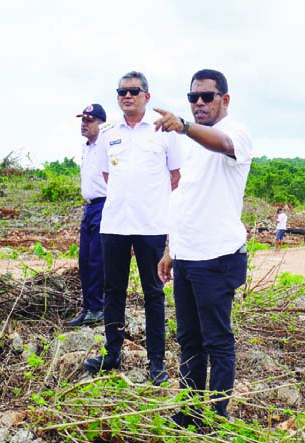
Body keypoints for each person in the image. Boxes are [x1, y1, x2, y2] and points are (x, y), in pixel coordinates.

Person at [155, 69, 252, 422]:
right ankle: (189, 410)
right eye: (193, 97)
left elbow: (223, 145)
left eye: (206, 97)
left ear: (224, 100)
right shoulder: (191, 145)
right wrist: (170, 249)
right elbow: (185, 201)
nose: (198, 103)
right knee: (190, 340)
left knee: (217, 341)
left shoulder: (235, 133)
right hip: (188, 257)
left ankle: (215, 415)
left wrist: (183, 126)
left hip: (218, 257)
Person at [83, 71, 182, 386]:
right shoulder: (109, 133)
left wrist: (158, 210)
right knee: (113, 291)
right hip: (114, 224)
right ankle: (112, 354)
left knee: (153, 293)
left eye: (134, 91)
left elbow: (176, 177)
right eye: (122, 91)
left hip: (151, 224)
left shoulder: (164, 132)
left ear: (147, 96)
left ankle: (156, 362)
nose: (127, 95)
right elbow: (108, 177)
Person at [67, 104, 108, 327]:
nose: (84, 123)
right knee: (84, 259)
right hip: (89, 206)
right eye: (82, 119)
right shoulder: (87, 148)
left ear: (101, 123)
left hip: (104, 205)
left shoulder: (106, 147)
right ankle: (88, 307)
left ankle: (98, 307)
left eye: (89, 120)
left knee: (97, 259)